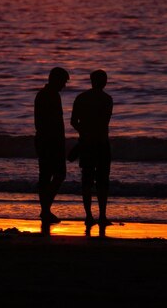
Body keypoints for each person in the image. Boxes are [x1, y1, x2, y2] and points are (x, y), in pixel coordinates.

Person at [70, 69, 113, 227]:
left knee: (86, 180)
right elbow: (104, 122)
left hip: (86, 143)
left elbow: (73, 121)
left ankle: (88, 216)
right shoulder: (107, 99)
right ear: (104, 82)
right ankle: (102, 216)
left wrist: (84, 132)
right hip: (101, 143)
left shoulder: (81, 98)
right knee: (103, 181)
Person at [34, 67, 70, 224]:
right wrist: (58, 142)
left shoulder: (46, 95)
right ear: (56, 80)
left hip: (45, 140)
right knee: (56, 174)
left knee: (47, 176)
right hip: (50, 141)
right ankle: (45, 209)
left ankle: (45, 209)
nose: (64, 85)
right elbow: (51, 123)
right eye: (63, 81)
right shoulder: (49, 96)